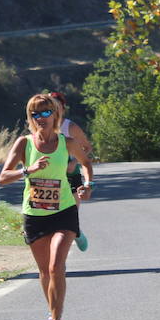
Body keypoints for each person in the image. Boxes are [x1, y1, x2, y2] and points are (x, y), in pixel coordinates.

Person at [0, 92, 94, 320]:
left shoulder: (67, 143)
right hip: (35, 215)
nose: (41, 118)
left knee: (55, 267)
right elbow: (3, 178)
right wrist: (27, 170)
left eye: (46, 112)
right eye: (35, 114)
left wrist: (87, 185)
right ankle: (52, 315)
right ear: (30, 118)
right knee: (44, 272)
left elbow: (86, 163)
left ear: (55, 115)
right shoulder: (24, 144)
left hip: (63, 211)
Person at [46, 91, 94, 252]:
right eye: (49, 106)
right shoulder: (41, 126)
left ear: (63, 108)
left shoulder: (70, 127)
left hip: (71, 175)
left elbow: (87, 147)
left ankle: (76, 232)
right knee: (51, 218)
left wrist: (74, 162)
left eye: (56, 106)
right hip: (50, 177)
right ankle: (60, 253)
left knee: (71, 215)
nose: (53, 110)